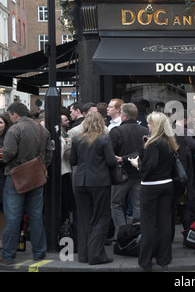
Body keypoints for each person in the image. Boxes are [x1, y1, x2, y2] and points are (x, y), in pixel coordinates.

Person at [0, 102, 52, 265]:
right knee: (36, 215)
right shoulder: (43, 130)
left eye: (9, 115)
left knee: (14, 218)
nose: (9, 118)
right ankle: (39, 252)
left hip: (16, 178)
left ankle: (8, 255)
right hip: (37, 178)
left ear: (15, 114)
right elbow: (48, 155)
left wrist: (4, 158)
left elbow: (8, 153)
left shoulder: (14, 129)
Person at [129, 112, 178, 271]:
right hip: (167, 184)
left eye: (150, 123)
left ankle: (146, 261)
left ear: (155, 126)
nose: (148, 125)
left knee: (148, 224)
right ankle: (164, 258)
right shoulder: (169, 142)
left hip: (151, 186)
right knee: (164, 223)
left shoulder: (154, 144)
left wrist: (137, 165)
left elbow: (148, 167)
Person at [69, 112, 117, 265]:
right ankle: (96, 255)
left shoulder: (77, 139)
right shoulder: (104, 138)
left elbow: (73, 161)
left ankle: (84, 256)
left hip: (81, 182)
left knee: (84, 220)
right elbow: (110, 162)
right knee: (101, 218)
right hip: (99, 181)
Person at [109, 103, 149, 242]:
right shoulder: (144, 130)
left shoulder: (116, 131)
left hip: (120, 175)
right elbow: (144, 152)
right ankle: (138, 234)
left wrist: (122, 159)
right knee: (138, 204)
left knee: (116, 204)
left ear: (124, 116)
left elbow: (110, 154)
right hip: (138, 173)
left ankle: (122, 234)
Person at [0, 114, 12, 251]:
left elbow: (7, 157)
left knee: (2, 209)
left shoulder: (7, 138)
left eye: (0, 122)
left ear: (5, 125)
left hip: (1, 176)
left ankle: (2, 239)